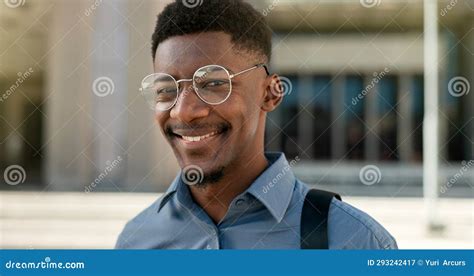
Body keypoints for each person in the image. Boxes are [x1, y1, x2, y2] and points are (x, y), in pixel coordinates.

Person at [115, 0, 397, 249]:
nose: (185, 112)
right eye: (166, 89)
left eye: (214, 83)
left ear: (270, 93)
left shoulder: (354, 242)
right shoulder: (136, 242)